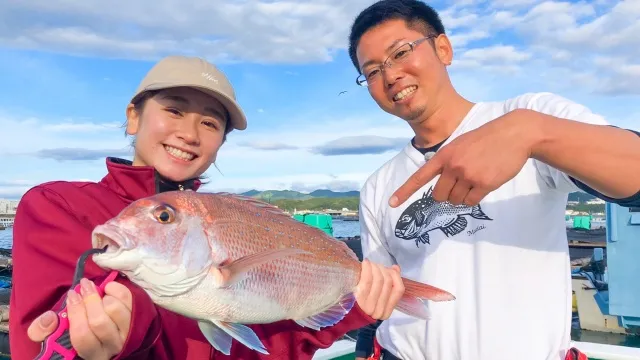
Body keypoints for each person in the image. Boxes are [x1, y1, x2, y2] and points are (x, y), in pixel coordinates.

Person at [10, 55, 407, 360]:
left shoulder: (232, 220)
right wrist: (121, 335)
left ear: (221, 142)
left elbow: (276, 348)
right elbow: (40, 340)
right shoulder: (58, 206)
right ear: (133, 117)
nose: (188, 133)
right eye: (174, 110)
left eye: (210, 123)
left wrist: (358, 308)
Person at [347, 1, 640, 360]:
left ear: (443, 48)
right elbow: (380, 294)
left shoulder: (528, 117)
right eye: (373, 71)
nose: (390, 76)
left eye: (401, 52)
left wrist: (532, 135)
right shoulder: (378, 186)